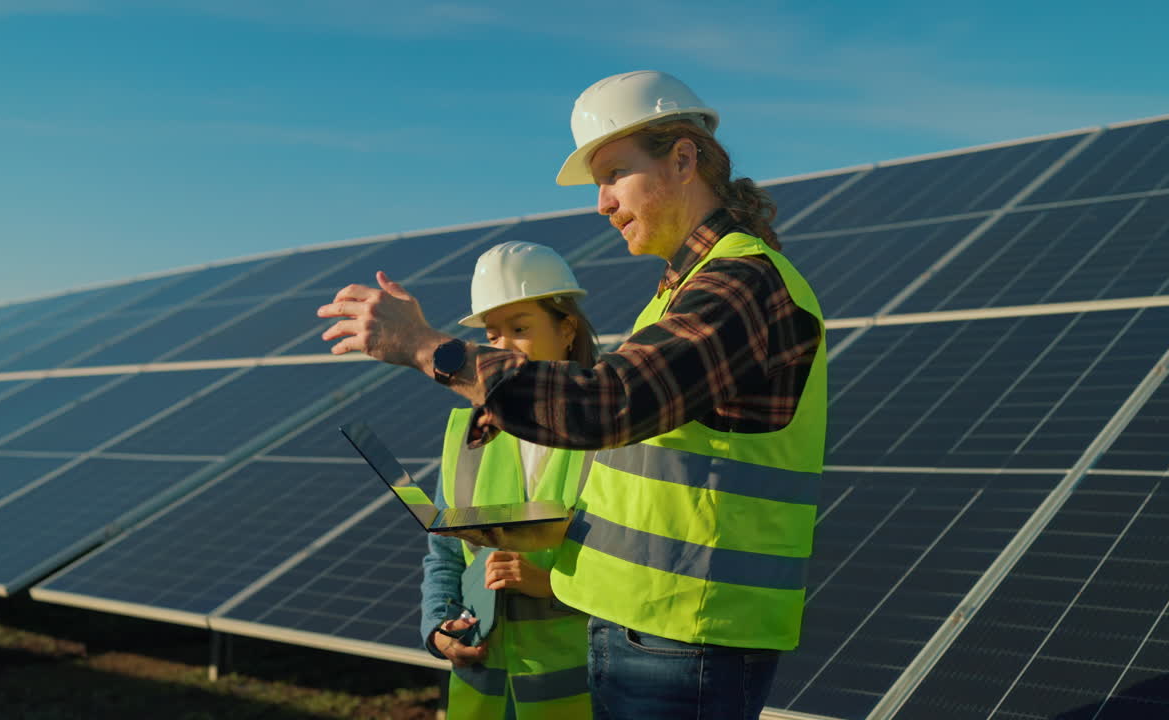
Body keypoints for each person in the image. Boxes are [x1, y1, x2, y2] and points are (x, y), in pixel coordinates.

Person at [318, 70, 826, 720]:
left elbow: (605, 404)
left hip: (686, 633)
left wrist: (428, 348)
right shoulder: (678, 295)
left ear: (682, 158)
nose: (602, 204)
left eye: (615, 174)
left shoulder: (742, 285)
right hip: (649, 628)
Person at [420, 241, 598, 719]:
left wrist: (551, 584)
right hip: (482, 694)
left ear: (567, 328)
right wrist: (438, 626)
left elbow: (637, 565)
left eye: (520, 328)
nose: (502, 347)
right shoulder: (465, 433)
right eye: (493, 335)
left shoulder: (614, 433)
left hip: (575, 695)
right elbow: (443, 551)